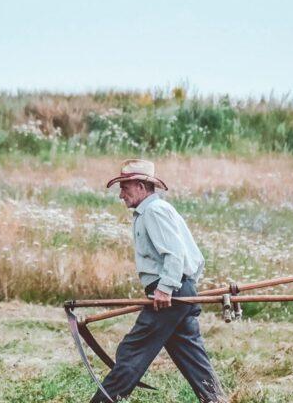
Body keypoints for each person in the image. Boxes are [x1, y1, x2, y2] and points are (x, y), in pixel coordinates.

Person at [90, 159, 225, 403]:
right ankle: (216, 400)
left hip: (169, 294)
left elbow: (174, 253)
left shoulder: (154, 211)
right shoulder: (154, 210)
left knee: (132, 351)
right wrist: (185, 287)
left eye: (125, 187)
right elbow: (194, 257)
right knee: (192, 357)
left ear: (141, 186)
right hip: (178, 291)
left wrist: (166, 289)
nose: (121, 194)